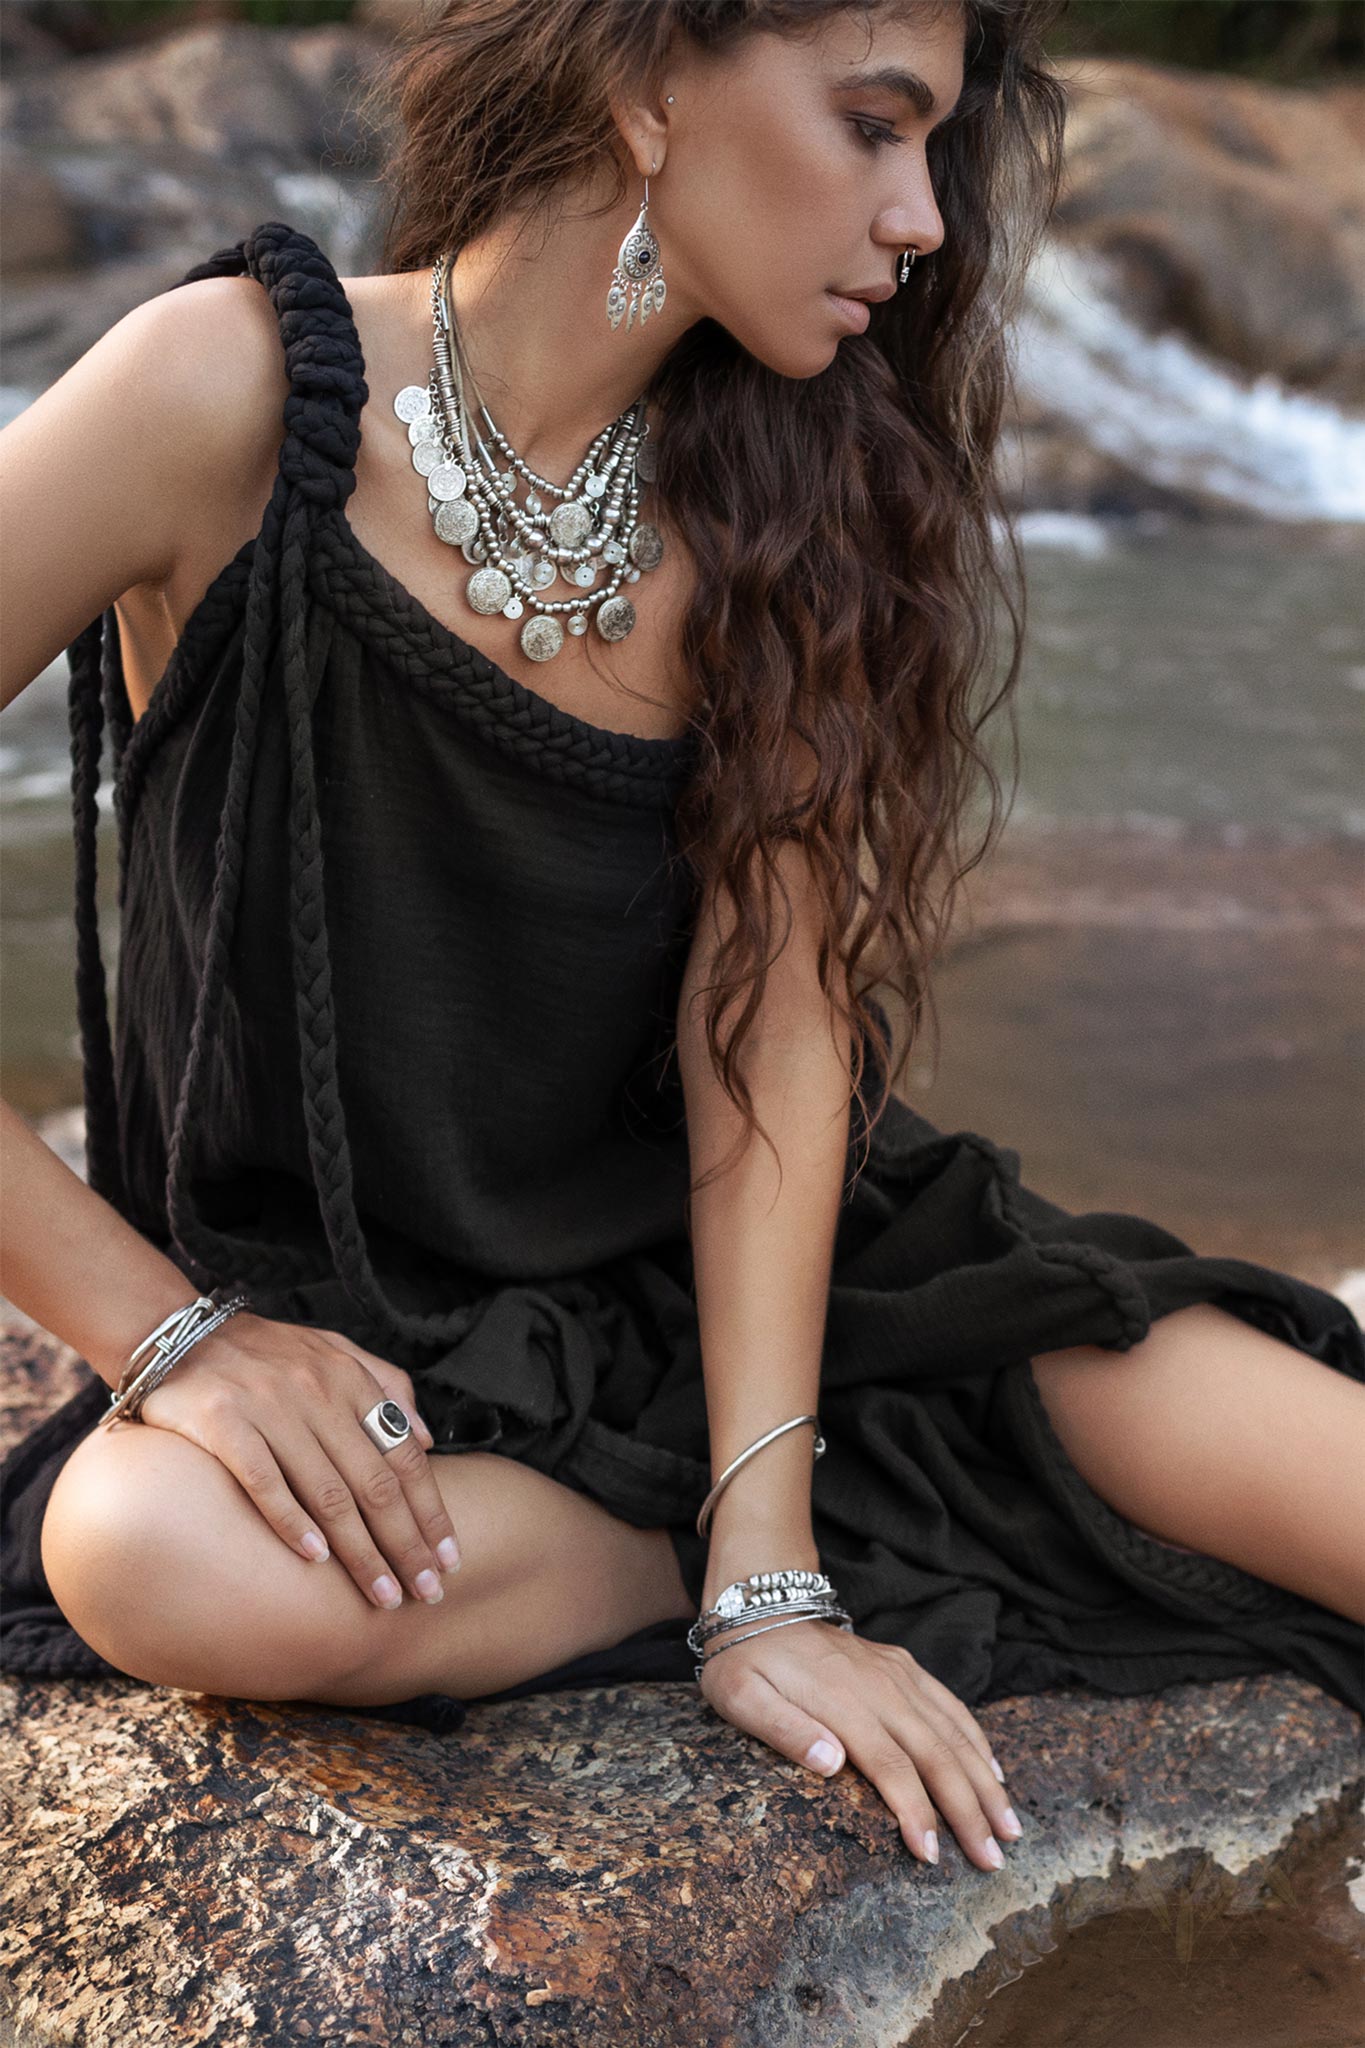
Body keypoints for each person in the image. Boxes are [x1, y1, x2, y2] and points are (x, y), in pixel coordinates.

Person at [1, 0, 1361, 1887]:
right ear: (643, 83)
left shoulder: (787, 501)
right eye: (872, 127)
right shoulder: (223, 397)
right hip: (399, 1368)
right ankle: (787, 1533)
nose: (925, 221)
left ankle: (808, 1516)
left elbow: (776, 1035)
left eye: (932, 148)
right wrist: (173, 1338)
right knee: (150, 1552)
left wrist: (769, 1563)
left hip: (822, 1309)